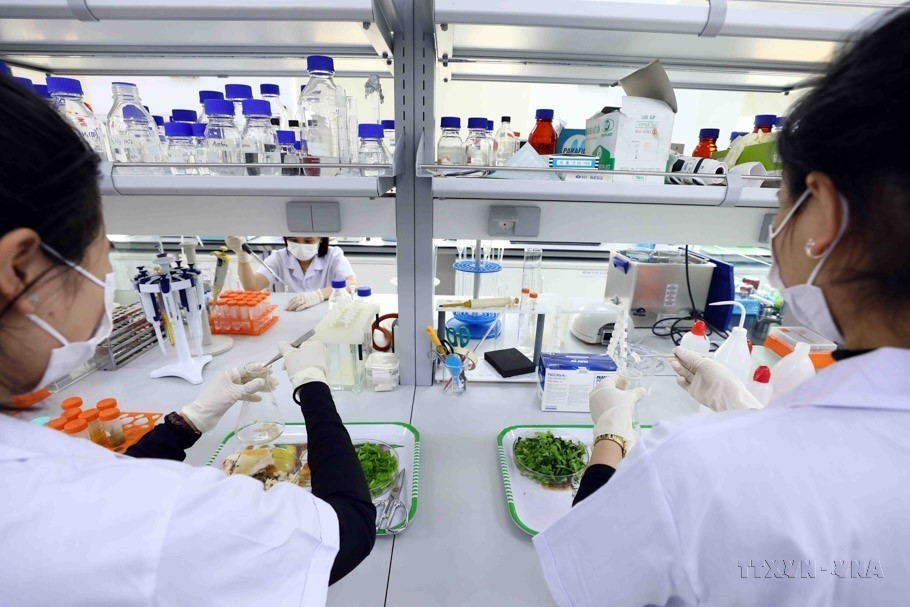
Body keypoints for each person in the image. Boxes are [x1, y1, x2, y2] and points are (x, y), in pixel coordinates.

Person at [534, 9, 910, 606]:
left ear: (825, 215)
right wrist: (750, 409)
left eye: (781, 204)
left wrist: (610, 438)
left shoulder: (697, 468)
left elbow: (590, 580)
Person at [0, 74, 375, 606]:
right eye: (102, 249)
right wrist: (312, 385)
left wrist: (187, 422)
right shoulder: (139, 515)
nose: (106, 272)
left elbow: (114, 479)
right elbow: (344, 530)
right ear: (20, 268)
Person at [226, 235, 356, 312]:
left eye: (308, 241)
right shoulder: (279, 258)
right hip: (291, 317)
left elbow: (351, 283)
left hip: (323, 318)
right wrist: (242, 256)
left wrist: (318, 295)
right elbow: (252, 287)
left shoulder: (333, 255)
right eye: (293, 240)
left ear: (320, 239)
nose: (301, 245)